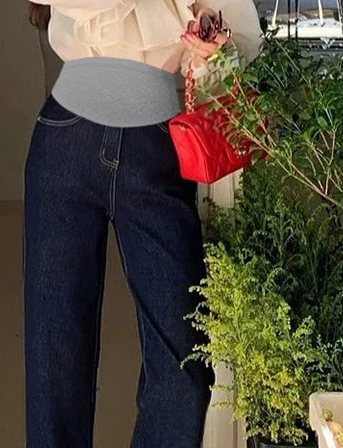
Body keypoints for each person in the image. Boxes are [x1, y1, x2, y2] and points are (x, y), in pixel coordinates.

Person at [23, 1, 262, 447]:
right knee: (55, 359)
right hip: (64, 145)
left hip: (156, 149)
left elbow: (235, 40)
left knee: (184, 366)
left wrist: (211, 50)